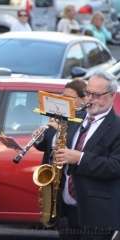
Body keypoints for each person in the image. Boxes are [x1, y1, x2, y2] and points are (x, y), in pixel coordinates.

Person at [55, 71, 120, 239]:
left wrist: (79, 158)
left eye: (96, 95)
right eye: (88, 93)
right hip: (67, 212)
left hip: (97, 215)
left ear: (112, 96)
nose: (90, 99)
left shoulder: (117, 127)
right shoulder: (74, 118)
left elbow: (115, 166)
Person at [34, 79, 87, 240]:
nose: (64, 101)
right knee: (63, 231)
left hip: (72, 186)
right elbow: (46, 146)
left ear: (82, 100)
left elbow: (76, 147)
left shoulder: (84, 119)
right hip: (56, 184)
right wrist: (39, 138)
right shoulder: (60, 116)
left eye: (69, 98)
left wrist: (61, 130)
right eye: (63, 96)